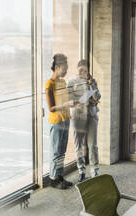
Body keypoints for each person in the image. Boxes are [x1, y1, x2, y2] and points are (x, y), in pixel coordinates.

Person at [45, 53, 77, 189]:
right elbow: (51, 108)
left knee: (62, 151)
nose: (66, 71)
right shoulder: (49, 84)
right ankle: (53, 179)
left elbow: (64, 101)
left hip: (65, 119)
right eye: (65, 68)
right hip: (57, 121)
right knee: (55, 151)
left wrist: (72, 102)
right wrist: (66, 105)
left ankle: (59, 176)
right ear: (57, 67)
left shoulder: (62, 82)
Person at [67, 60, 101, 182]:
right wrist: (88, 99)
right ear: (77, 70)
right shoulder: (71, 82)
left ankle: (94, 172)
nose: (83, 72)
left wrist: (92, 85)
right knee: (79, 146)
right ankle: (81, 171)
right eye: (81, 70)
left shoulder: (92, 81)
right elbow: (71, 101)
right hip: (78, 117)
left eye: (85, 70)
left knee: (93, 145)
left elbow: (97, 97)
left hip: (92, 116)